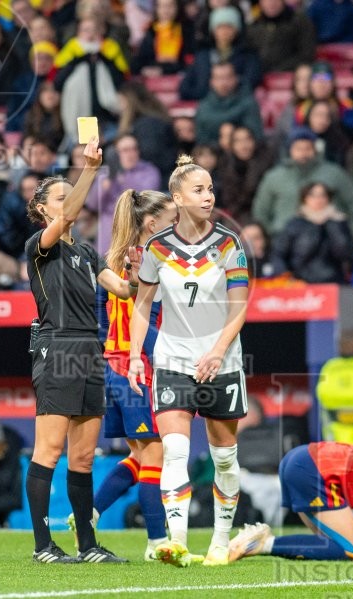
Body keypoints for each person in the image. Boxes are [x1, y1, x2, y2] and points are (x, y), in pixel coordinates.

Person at [128, 155, 249, 568]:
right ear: (177, 197)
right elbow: (142, 305)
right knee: (175, 450)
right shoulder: (155, 249)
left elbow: (239, 309)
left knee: (224, 458)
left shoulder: (230, 245)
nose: (208, 196)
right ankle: (176, 542)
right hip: (173, 358)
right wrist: (134, 356)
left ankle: (219, 540)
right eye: (199, 190)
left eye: (211, 189)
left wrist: (217, 352)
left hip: (223, 360)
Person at [24, 138, 138, 564]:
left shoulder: (88, 252)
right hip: (57, 347)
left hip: (92, 349)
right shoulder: (40, 245)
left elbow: (123, 289)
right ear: (43, 210)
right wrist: (89, 170)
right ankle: (41, 545)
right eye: (60, 196)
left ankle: (88, 546)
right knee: (48, 450)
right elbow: (73, 211)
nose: (68, 203)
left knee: (85, 456)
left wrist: (145, 272)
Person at [84, 188, 178, 560]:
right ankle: (157, 541)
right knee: (156, 454)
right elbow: (146, 318)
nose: (177, 225)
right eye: (172, 220)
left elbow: (102, 316)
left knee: (139, 457)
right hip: (137, 368)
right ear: (152, 223)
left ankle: (87, 513)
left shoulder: (115, 260)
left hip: (115, 368)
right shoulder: (149, 261)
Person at [253, 128, 353, 237]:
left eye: (308, 148)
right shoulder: (274, 177)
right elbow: (261, 211)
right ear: (289, 150)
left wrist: (350, 237)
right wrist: (271, 236)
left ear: (315, 150)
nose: (303, 153)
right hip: (283, 241)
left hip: (327, 242)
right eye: (298, 149)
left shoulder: (334, 174)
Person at [269, 182, 352, 284]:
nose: (318, 200)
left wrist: (332, 224)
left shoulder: (338, 222)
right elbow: (278, 253)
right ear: (305, 198)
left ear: (328, 198)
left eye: (322, 195)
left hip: (333, 282)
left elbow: (344, 253)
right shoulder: (295, 224)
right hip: (300, 282)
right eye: (312, 195)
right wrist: (285, 277)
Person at [178, 6, 261, 101]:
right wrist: (205, 95)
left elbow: (250, 82)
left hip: (236, 106)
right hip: (205, 106)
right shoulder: (202, 56)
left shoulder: (248, 55)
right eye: (220, 27)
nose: (224, 31)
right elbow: (184, 88)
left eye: (229, 27)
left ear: (237, 30)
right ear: (213, 30)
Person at [213, 126, 275, 223]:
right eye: (238, 141)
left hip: (264, 215)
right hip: (238, 216)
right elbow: (230, 202)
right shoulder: (226, 166)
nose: (244, 145)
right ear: (232, 145)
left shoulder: (266, 164)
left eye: (248, 139)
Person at [194, 61, 264, 146]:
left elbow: (257, 138)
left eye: (228, 77)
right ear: (211, 82)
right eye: (219, 78)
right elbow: (201, 142)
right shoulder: (203, 107)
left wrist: (234, 138)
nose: (224, 83)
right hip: (212, 155)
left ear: (236, 78)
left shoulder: (249, 103)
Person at [245, 0, 315, 74]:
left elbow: (307, 54)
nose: (271, 2)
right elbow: (247, 55)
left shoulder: (299, 21)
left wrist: (279, 69)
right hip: (258, 77)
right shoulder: (253, 26)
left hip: (291, 75)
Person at [131, 0, 196, 75]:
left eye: (170, 6)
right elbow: (139, 60)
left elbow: (189, 61)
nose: (166, 10)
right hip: (153, 78)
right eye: (161, 6)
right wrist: (144, 69)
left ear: (177, 7)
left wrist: (163, 70)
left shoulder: (187, 30)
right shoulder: (152, 31)